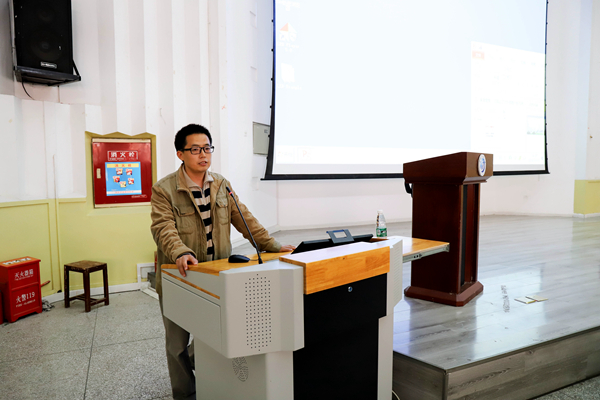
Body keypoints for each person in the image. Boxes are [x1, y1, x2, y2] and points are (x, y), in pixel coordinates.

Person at [150, 123, 295, 400]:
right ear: (181, 154)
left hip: (216, 274)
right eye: (195, 149)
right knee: (177, 345)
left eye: (207, 148)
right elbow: (162, 227)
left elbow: (244, 218)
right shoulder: (164, 189)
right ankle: (185, 393)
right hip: (180, 274)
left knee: (215, 333)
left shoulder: (221, 184)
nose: (203, 154)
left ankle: (206, 374)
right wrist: (180, 252)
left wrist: (272, 245)